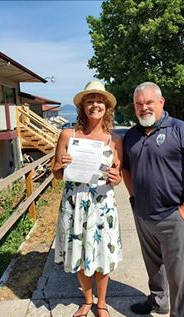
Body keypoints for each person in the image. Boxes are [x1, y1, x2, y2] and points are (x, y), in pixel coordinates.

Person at [122, 82, 184, 317]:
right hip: (143, 215)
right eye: (139, 104)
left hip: (173, 216)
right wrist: (134, 199)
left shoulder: (183, 130)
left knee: (178, 275)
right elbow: (126, 170)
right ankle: (158, 302)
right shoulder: (131, 135)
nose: (144, 108)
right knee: (153, 268)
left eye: (149, 102)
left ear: (161, 102)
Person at [52, 81, 123, 317]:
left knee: (102, 252)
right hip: (75, 204)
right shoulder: (67, 135)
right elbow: (56, 172)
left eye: (100, 101)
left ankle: (101, 304)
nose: (95, 105)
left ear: (106, 107)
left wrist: (115, 177)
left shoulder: (114, 140)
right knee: (80, 253)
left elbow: (118, 176)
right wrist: (61, 165)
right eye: (90, 100)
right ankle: (87, 299)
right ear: (82, 106)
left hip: (103, 205)